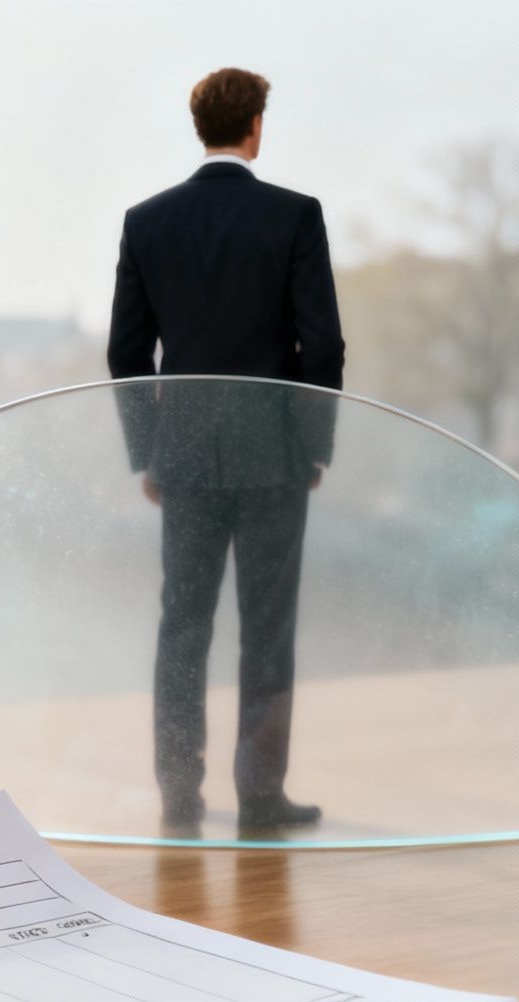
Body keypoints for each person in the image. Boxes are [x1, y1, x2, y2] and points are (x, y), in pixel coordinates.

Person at [108, 67, 345, 832]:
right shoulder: (295, 216)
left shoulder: (147, 222)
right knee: (267, 630)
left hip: (184, 460)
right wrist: (313, 448)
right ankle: (260, 797)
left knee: (182, 628)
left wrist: (149, 451)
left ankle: (180, 795)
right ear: (257, 128)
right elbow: (324, 345)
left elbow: (125, 352)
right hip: (274, 456)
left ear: (199, 126)